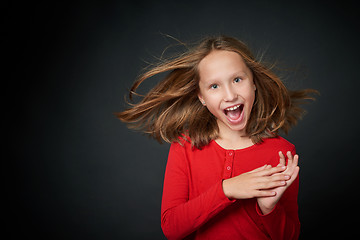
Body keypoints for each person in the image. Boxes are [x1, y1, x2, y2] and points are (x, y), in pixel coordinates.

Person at [116, 36, 317, 239]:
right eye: (214, 86)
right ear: (201, 96)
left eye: (237, 80)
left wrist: (268, 208)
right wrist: (227, 189)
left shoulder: (281, 153)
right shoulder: (185, 146)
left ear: (254, 83)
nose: (230, 95)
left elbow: (291, 236)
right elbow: (172, 227)